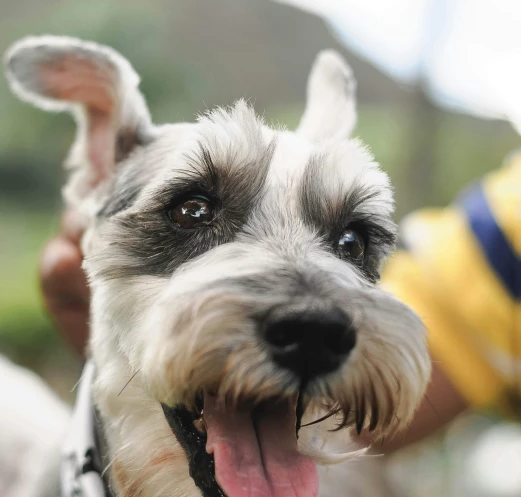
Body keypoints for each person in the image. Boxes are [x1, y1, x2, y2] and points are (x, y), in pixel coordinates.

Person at [40, 151, 521, 449]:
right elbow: (374, 422)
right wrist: (123, 347)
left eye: (350, 245)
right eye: (195, 213)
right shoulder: (508, 225)